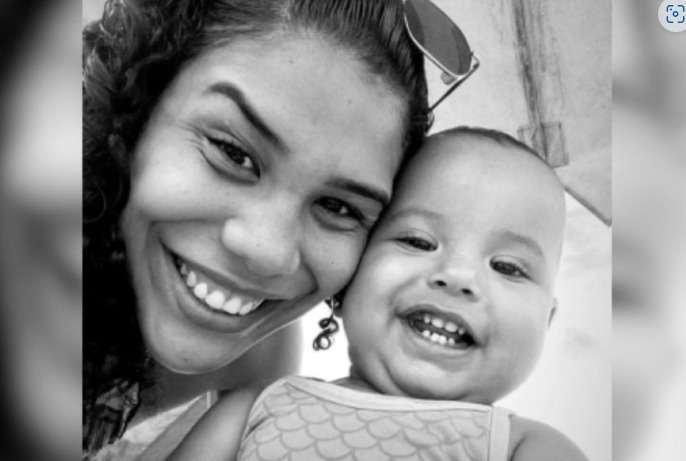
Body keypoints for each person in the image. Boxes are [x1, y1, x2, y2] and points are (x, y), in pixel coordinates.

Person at [82, 0, 429, 458]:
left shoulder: (257, 365)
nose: (268, 252)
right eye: (233, 153)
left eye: (338, 207)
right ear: (132, 116)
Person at [170, 127, 589, 461]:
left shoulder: (526, 448)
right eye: (418, 242)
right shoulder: (256, 409)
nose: (457, 277)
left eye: (508, 267)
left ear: (547, 322)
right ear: (348, 278)